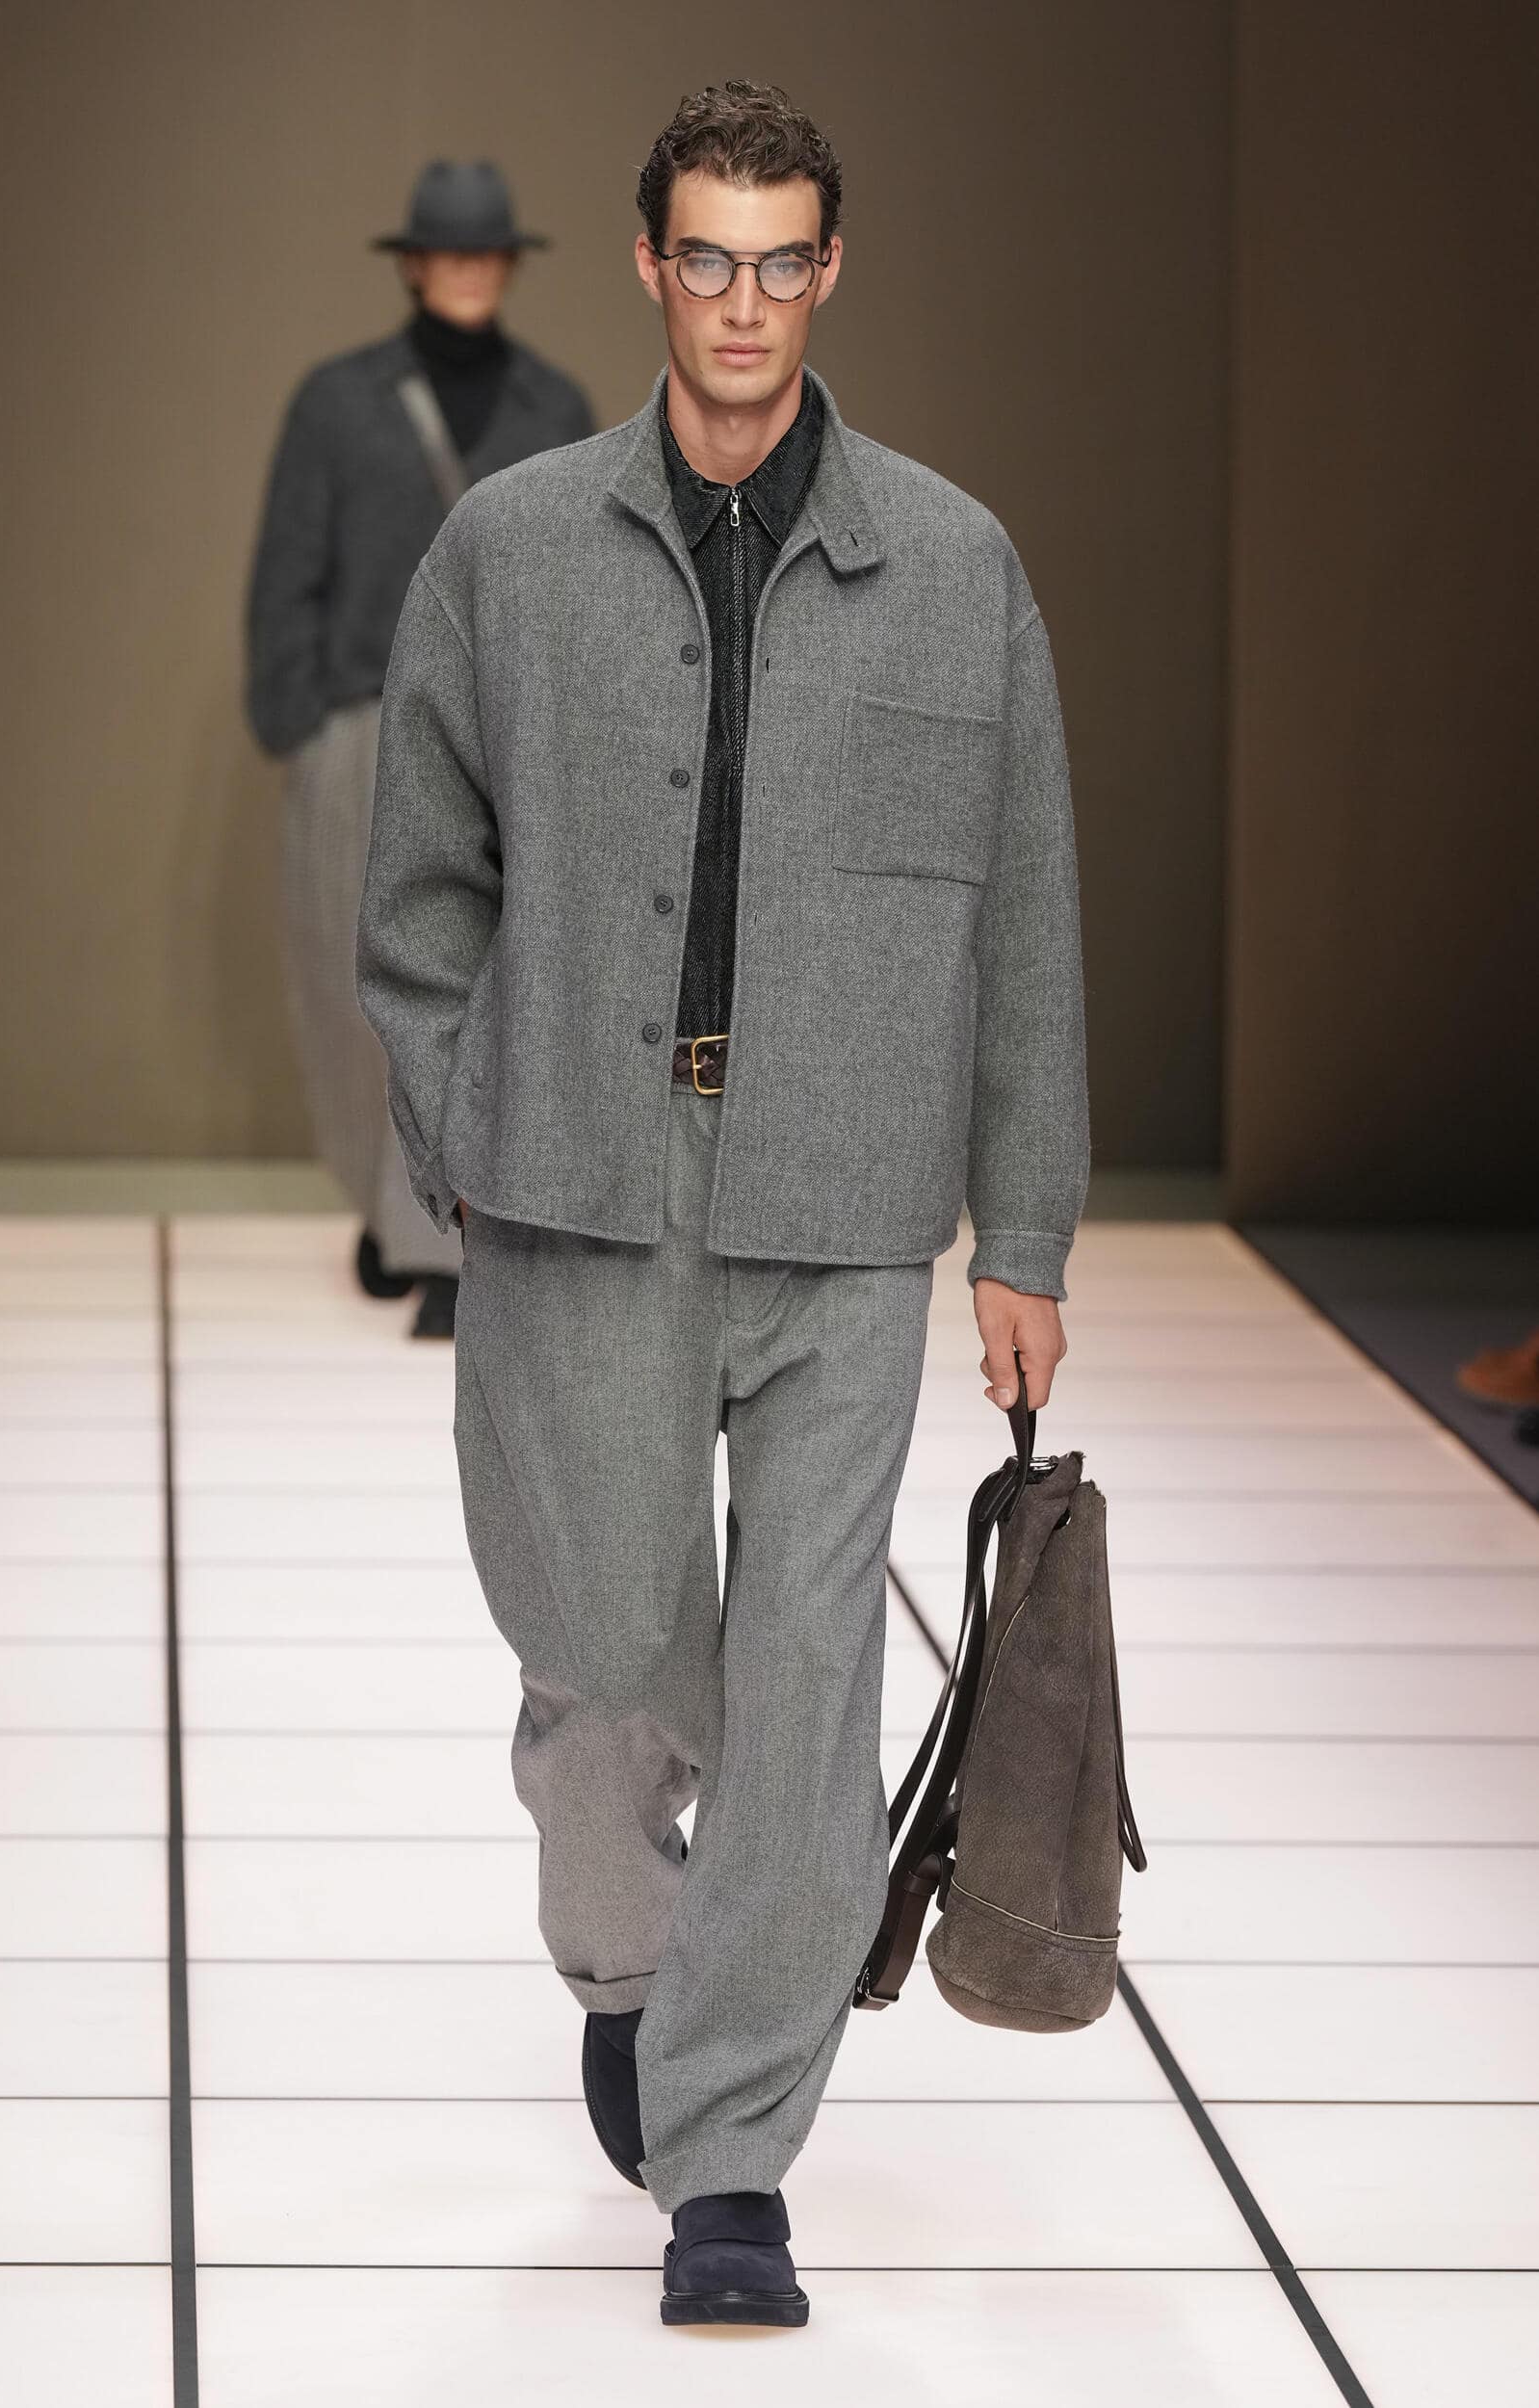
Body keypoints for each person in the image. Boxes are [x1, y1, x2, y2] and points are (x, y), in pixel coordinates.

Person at [357, 81, 1088, 2323]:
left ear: (825, 272)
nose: (743, 302)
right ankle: (626, 1949)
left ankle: (731, 2159)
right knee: (597, 1642)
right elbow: (421, 882)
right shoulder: (507, 551)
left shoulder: (953, 567)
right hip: (576, 1175)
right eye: (707, 258)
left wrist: (1023, 1232)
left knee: (810, 1664)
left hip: (842, 1192)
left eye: (782, 261)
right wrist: (464, 1127)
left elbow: (1024, 916)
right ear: (653, 267)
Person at [246, 161, 594, 1337]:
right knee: (357, 985)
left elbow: (589, 582)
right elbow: (288, 566)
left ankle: (448, 1238)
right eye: (448, 252)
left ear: (509, 265)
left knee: (492, 986)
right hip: (363, 719)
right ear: (411, 264)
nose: (467, 271)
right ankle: (395, 1212)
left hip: (511, 732)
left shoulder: (554, 406)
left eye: (486, 253)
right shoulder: (338, 402)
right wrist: (299, 721)